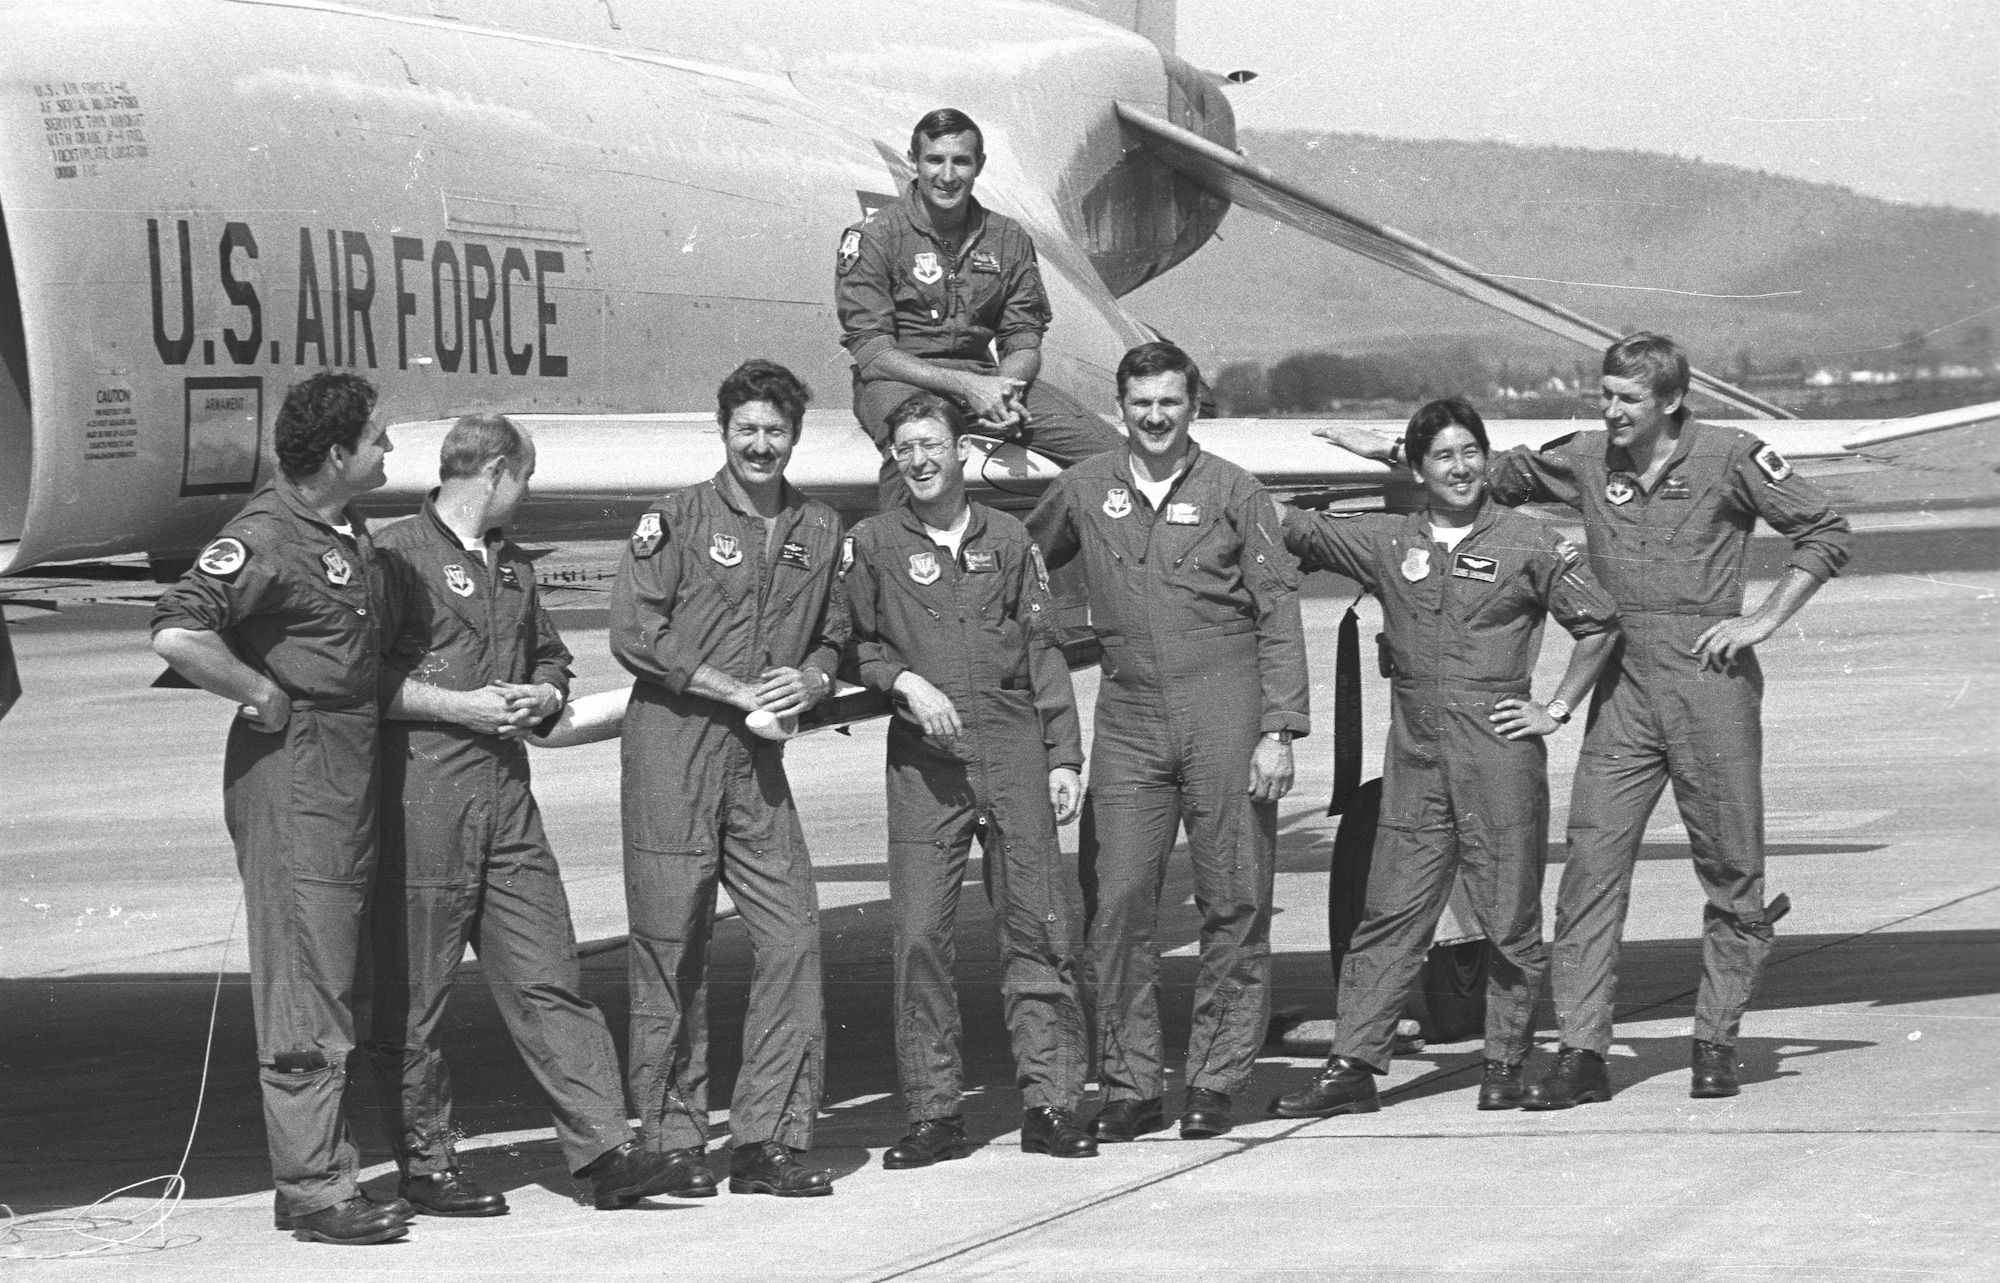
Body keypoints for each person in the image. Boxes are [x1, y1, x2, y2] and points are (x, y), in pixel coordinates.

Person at [1316, 333, 1851, 1104]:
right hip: (1624, 689)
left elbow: (1826, 532)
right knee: (1591, 872)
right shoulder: (1589, 456)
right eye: (1604, 395)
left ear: (1670, 399)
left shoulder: (1733, 454)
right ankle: (1582, 1052)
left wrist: (1762, 620)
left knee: (1733, 870)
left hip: (1710, 682)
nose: (1610, 411)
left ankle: (1716, 1037)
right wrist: (1391, 450)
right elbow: (1481, 473)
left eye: (1627, 399)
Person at [368, 413, 708, 1214]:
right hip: (425, 802)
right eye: (523, 478)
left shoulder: (513, 569)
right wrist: (460, 706)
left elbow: (551, 653)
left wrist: (546, 690)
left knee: (551, 977)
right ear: (493, 473)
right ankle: (427, 1164)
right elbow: (359, 682)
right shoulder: (392, 560)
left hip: (508, 805)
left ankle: (604, 1154)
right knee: (416, 997)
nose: (526, 493)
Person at [1267, 398, 1620, 1118]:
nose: (1460, 468)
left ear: (1487, 459)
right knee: (1388, 913)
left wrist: (1553, 708)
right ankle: (1353, 1065)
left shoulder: (1529, 541)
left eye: (1471, 453)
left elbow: (1600, 622)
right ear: (1418, 468)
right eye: (1443, 456)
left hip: (1498, 755)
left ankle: (1505, 1060)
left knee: (1508, 919)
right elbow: (1292, 525)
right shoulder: (1389, 543)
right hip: (1417, 761)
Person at [151, 372, 411, 1245]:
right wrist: (258, 689)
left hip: (342, 772)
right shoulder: (266, 534)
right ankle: (315, 1189)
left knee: (333, 973)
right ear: (337, 455)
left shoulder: (342, 529)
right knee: (305, 982)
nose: (390, 449)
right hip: (296, 777)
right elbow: (179, 627)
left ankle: (315, 1167)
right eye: (379, 438)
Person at [1027, 341, 1309, 1142]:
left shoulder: (1234, 492)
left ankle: (1216, 1078)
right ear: (1121, 408)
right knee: (1115, 899)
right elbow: (1014, 566)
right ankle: (1131, 1080)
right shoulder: (1084, 488)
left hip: (1226, 705)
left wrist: (1278, 729)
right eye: (1142, 403)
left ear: (1193, 407)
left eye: (1170, 403)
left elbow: (1279, 611)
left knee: (1234, 898)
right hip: (1129, 713)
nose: (1156, 417)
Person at [609, 359, 847, 1196]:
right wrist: (730, 686)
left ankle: (767, 1139)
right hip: (673, 748)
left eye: (775, 430)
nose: (760, 444)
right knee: (671, 944)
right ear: (723, 431)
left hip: (756, 761)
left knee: (793, 933)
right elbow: (637, 632)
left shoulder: (821, 526)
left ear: (795, 436)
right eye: (746, 428)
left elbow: (837, 635)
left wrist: (812, 681)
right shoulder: (674, 518)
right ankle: (674, 1140)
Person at [843, 393, 1096, 1167]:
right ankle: (934, 1113)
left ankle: (1052, 1101)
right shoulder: (874, 543)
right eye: (905, 449)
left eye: (931, 445)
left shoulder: (1010, 538)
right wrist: (901, 681)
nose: (918, 461)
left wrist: (1062, 755)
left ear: (960, 452)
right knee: (920, 935)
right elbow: (849, 641)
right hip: (928, 762)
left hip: (1015, 749)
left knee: (1039, 926)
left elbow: (1042, 648)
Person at [836, 106, 1124, 507]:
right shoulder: (875, 236)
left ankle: (1033, 553)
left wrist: (1005, 388)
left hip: (986, 379)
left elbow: (1023, 337)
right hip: (900, 381)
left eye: (961, 161)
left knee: (1115, 458)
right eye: (935, 160)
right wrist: (970, 388)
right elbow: (874, 354)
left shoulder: (1007, 237)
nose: (948, 176)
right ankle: (903, 563)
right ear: (914, 162)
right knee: (918, 454)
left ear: (980, 165)